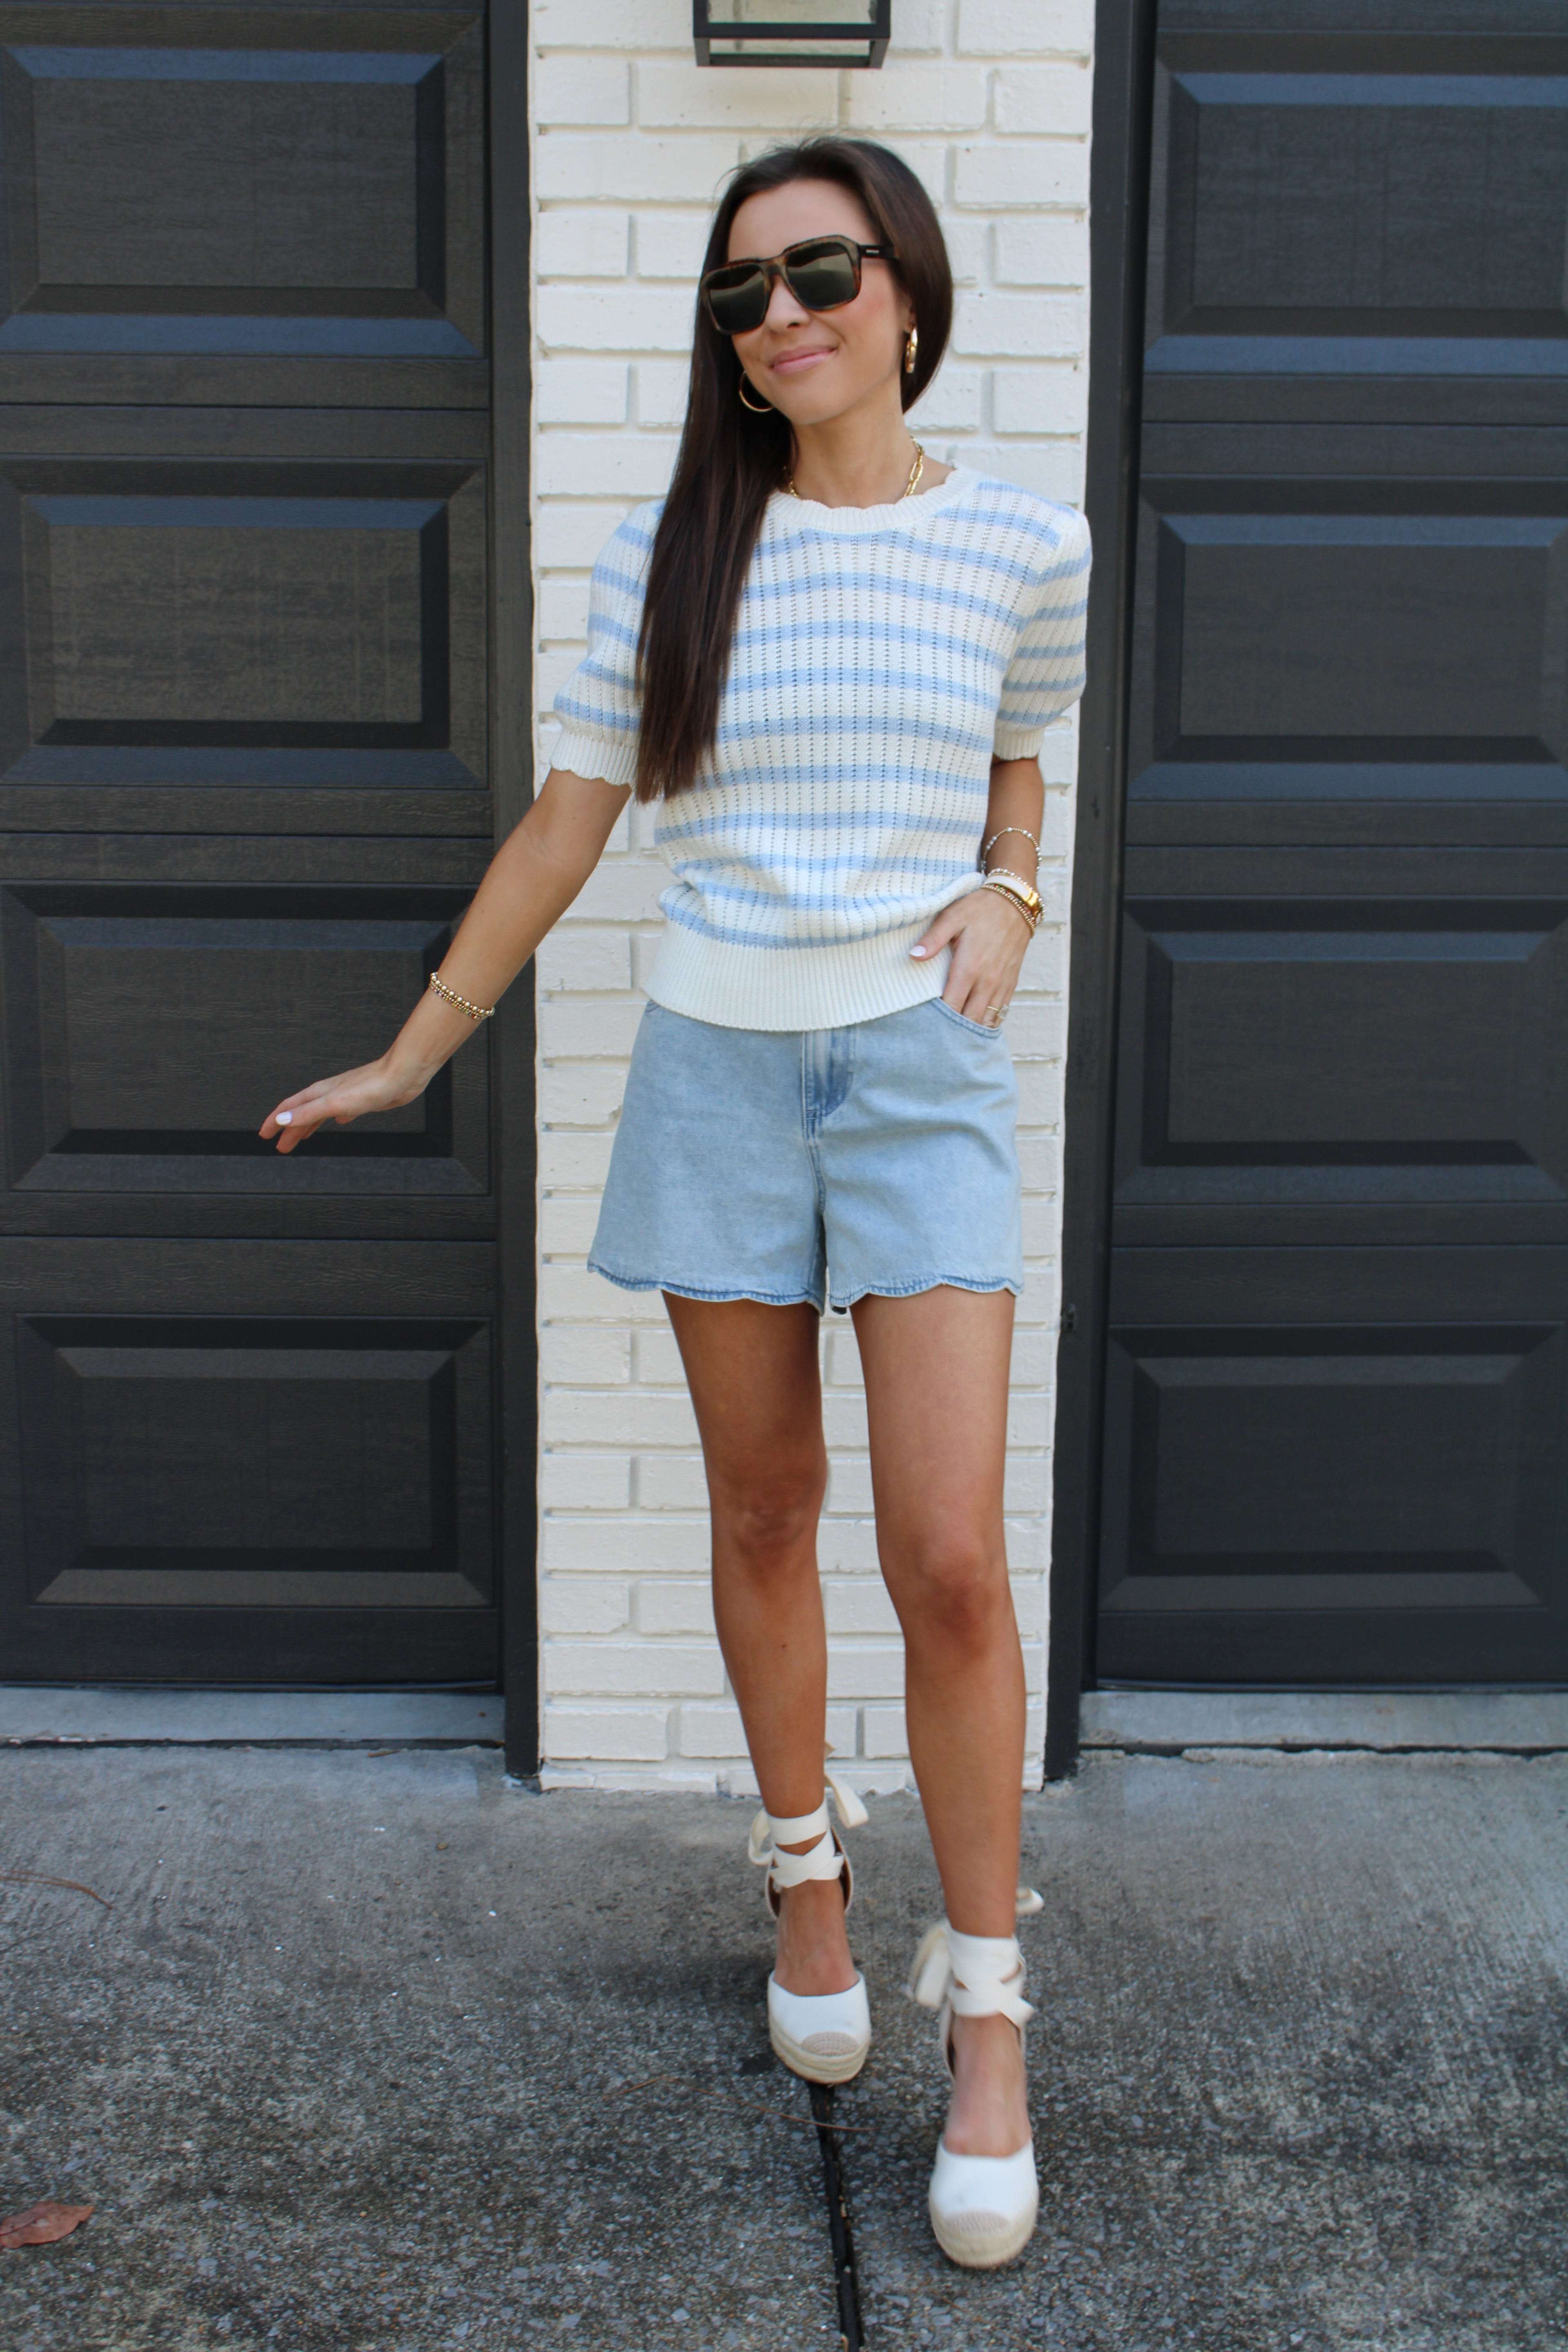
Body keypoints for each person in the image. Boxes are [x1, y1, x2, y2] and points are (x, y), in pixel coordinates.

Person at [261, 134, 1089, 2270]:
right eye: (741, 291)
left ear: (902, 286)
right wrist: (415, 1049)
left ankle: (987, 2017)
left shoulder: (1023, 539)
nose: (782, 312)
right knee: (753, 1514)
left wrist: (1010, 885)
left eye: (819, 270)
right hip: (717, 1077)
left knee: (954, 1568)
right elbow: (565, 830)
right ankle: (806, 1877)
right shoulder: (667, 557)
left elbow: (1019, 743)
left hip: (916, 1085)